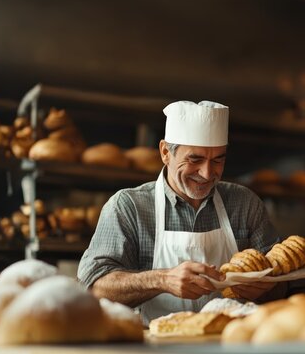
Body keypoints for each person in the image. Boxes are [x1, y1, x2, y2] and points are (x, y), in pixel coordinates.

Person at [77, 100, 285, 325]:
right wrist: (162, 280)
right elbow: (95, 288)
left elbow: (283, 286)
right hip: (155, 347)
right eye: (194, 159)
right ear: (166, 152)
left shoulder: (244, 204)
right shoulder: (129, 207)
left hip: (231, 343)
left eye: (217, 160)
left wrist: (265, 289)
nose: (207, 173)